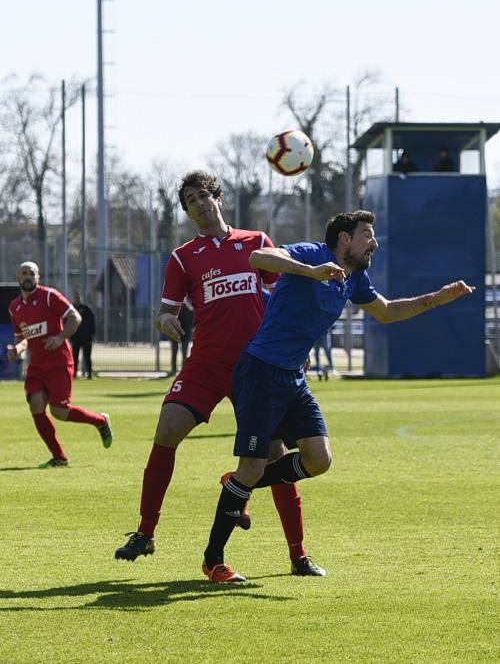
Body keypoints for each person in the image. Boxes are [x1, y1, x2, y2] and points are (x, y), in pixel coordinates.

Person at [202, 210, 475, 582]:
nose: (373, 243)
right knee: (251, 467)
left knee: (319, 459)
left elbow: (388, 311)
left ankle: (238, 484)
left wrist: (437, 299)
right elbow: (258, 257)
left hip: (293, 379)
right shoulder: (313, 253)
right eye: (366, 235)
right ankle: (213, 559)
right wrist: (310, 271)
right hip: (260, 372)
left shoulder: (355, 277)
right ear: (344, 239)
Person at [115, 170, 325, 577]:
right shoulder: (183, 257)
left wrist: (296, 347)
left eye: (204, 195)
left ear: (219, 199)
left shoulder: (256, 243)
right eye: (191, 200)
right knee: (166, 430)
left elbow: (287, 295)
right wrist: (165, 322)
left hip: (259, 367)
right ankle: (145, 532)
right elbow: (166, 311)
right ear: (189, 212)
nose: (199, 203)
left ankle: (298, 555)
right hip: (207, 365)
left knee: (275, 455)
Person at [7, 262, 113, 468]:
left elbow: (75, 317)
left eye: (32, 273)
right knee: (36, 405)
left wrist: (60, 337)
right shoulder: (15, 307)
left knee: (60, 412)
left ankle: (100, 421)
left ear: (38, 277)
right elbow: (23, 338)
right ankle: (60, 457)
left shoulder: (49, 296)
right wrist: (16, 350)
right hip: (36, 367)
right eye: (24, 273)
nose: (27, 276)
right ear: (18, 278)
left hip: (59, 363)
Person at [70, 290, 96, 379]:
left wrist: (91, 335)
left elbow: (92, 323)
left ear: (81, 298)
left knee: (87, 356)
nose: (78, 299)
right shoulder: (72, 309)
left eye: (79, 297)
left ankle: (89, 373)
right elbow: (67, 322)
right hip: (76, 337)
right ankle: (74, 374)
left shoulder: (87, 309)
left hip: (86, 338)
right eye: (76, 297)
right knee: (74, 357)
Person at [168, 299, 193, 376]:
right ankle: (173, 369)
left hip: (185, 334)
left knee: (184, 353)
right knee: (174, 352)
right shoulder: (173, 310)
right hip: (174, 333)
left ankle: (183, 370)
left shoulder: (189, 310)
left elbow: (191, 322)